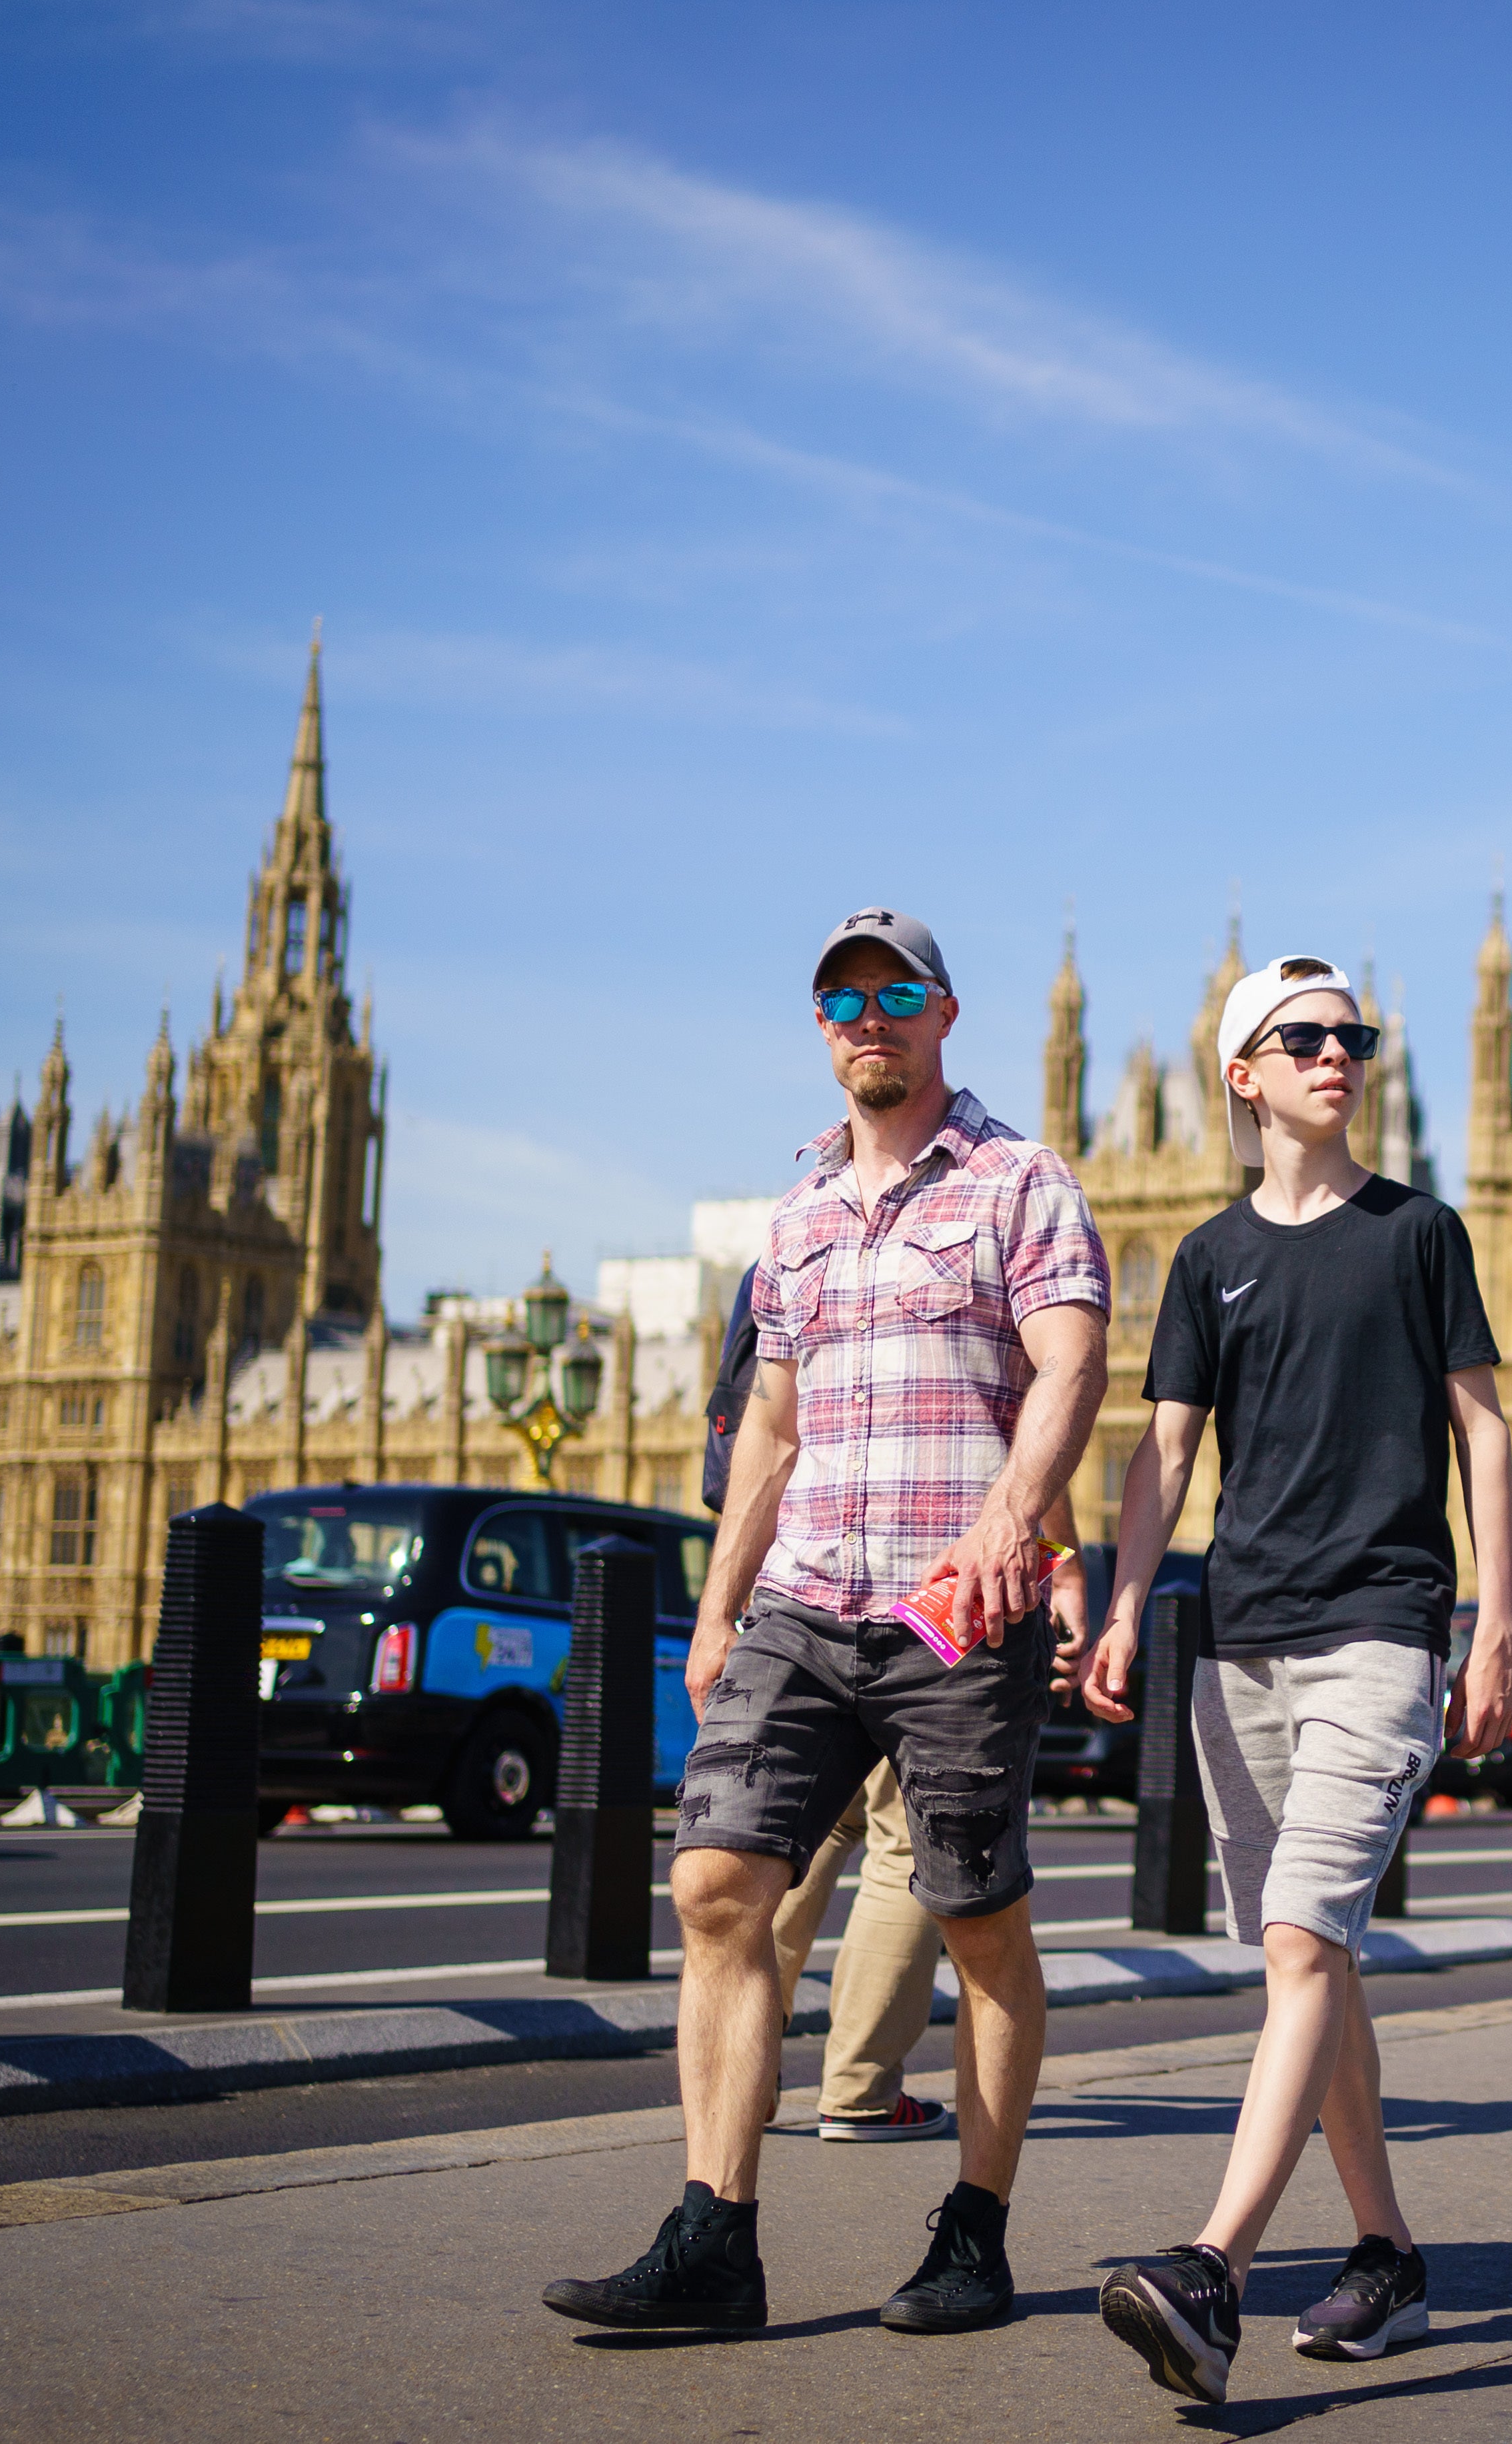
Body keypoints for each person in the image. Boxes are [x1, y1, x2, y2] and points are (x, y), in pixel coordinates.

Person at [542, 908, 1108, 2332]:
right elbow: (770, 1430)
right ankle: (713, 2234)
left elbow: (1072, 1362)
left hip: (950, 1606)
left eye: (895, 991)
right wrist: (719, 1605)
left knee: (974, 1917)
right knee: (717, 1886)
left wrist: (1015, 1514)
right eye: (843, 997)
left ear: (943, 1013)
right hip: (806, 1595)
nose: (870, 1014)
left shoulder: (1017, 1183)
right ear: (818, 1027)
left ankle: (972, 2231)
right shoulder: (790, 1218)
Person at [1081, 952, 1512, 2405]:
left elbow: (1486, 1434)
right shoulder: (1209, 1256)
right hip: (1243, 1647)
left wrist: (1497, 1620)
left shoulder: (1419, 1234)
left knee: (1294, 1941)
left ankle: (1212, 2267)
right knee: (1311, 1956)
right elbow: (1163, 1451)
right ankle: (1386, 2251)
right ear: (1244, 1074)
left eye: (1355, 1035)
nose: (1339, 1053)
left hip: (1383, 1632)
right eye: (1305, 1036)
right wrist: (1128, 1601)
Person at [769, 1523, 1088, 2138]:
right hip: (923, 1591)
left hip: (800, 1590)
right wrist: (1067, 1574)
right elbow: (1033, 1444)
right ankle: (860, 2090)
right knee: (905, 1840)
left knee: (805, 1831)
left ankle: (747, 2072)